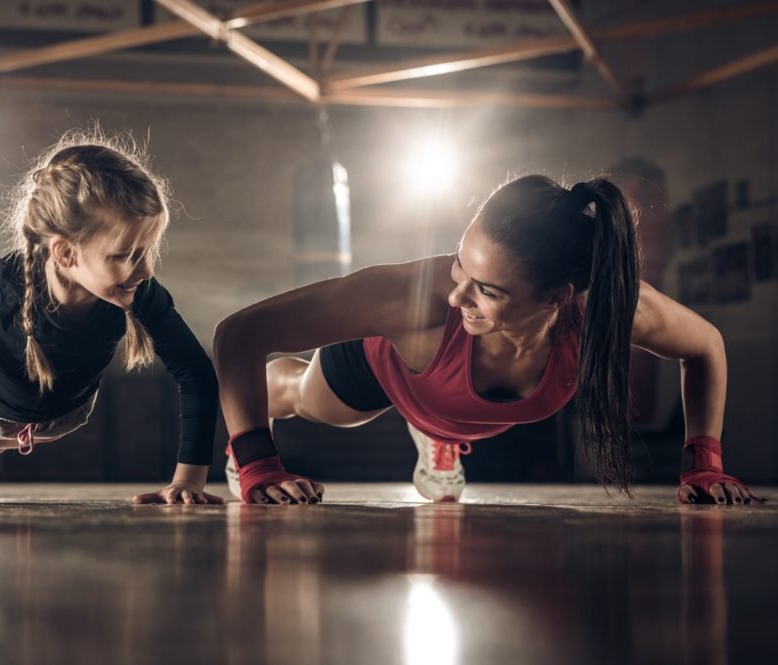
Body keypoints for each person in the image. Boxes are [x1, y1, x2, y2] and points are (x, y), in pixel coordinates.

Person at [214, 175, 762, 506]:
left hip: (449, 398)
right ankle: (409, 421)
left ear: (557, 297)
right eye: (459, 266)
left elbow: (705, 346)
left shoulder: (609, 310)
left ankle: (437, 434)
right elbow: (240, 333)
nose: (457, 297)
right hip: (381, 365)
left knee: (445, 406)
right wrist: (257, 459)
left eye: (488, 290)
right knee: (305, 398)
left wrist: (703, 462)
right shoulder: (414, 298)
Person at [0, 131, 222, 506]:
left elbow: (196, 371)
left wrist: (189, 479)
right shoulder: (2, 286)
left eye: (148, 251)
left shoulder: (136, 290)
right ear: (64, 254)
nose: (146, 270)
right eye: (126, 254)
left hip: (63, 416)